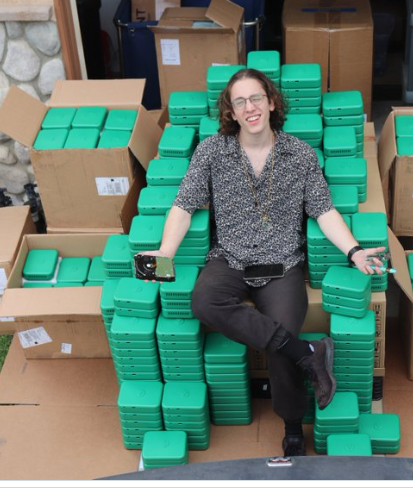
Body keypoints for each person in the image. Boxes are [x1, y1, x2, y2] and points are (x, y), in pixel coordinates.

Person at [141, 68, 385, 457]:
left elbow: (324, 211)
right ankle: (307, 353)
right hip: (230, 259)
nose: (249, 107)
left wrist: (354, 251)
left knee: (280, 334)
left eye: (256, 98)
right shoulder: (212, 151)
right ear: (230, 112)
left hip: (282, 265)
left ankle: (292, 427)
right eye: (239, 102)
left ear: (271, 103)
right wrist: (165, 252)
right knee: (203, 301)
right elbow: (183, 205)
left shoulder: (300, 155)